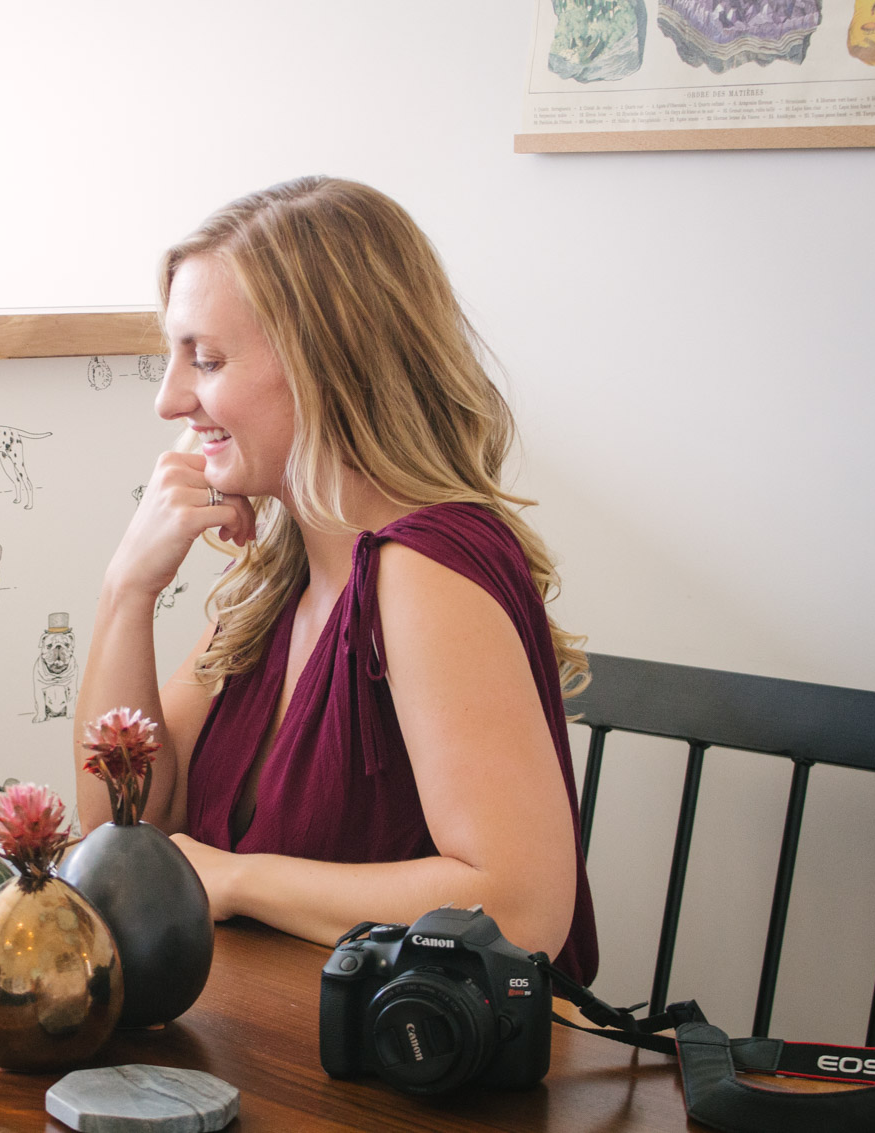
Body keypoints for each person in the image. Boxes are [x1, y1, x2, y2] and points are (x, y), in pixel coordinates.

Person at [74, 176, 598, 983]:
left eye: (207, 359)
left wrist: (237, 878)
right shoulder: (283, 576)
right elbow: (126, 832)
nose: (170, 398)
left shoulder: (423, 567)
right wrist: (127, 591)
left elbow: (519, 908)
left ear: (327, 366)